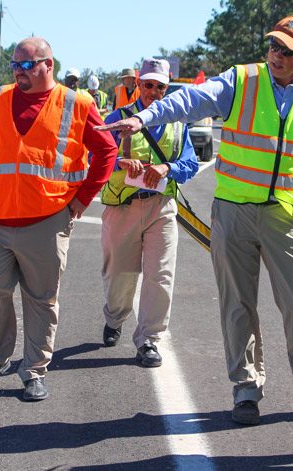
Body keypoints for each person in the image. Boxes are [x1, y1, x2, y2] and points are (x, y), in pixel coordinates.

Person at [96, 15, 293, 427]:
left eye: (287, 50)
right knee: (237, 305)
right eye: (273, 46)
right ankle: (246, 389)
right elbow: (188, 100)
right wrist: (145, 117)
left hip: (284, 215)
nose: (276, 55)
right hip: (232, 212)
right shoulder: (241, 80)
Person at [0, 37, 117, 401]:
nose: (18, 72)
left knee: (41, 299)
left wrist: (82, 199)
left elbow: (107, 150)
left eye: (26, 65)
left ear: (48, 65)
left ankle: (33, 369)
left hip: (47, 219)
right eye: (14, 66)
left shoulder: (77, 103)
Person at [99, 58, 199, 367]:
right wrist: (120, 162)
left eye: (160, 86)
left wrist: (166, 167)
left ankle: (149, 340)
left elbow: (190, 164)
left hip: (161, 208)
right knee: (119, 274)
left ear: (167, 88)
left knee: (160, 275)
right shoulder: (117, 118)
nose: (153, 91)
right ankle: (115, 318)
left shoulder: (178, 123)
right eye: (148, 85)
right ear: (138, 84)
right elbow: (95, 154)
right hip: (123, 207)